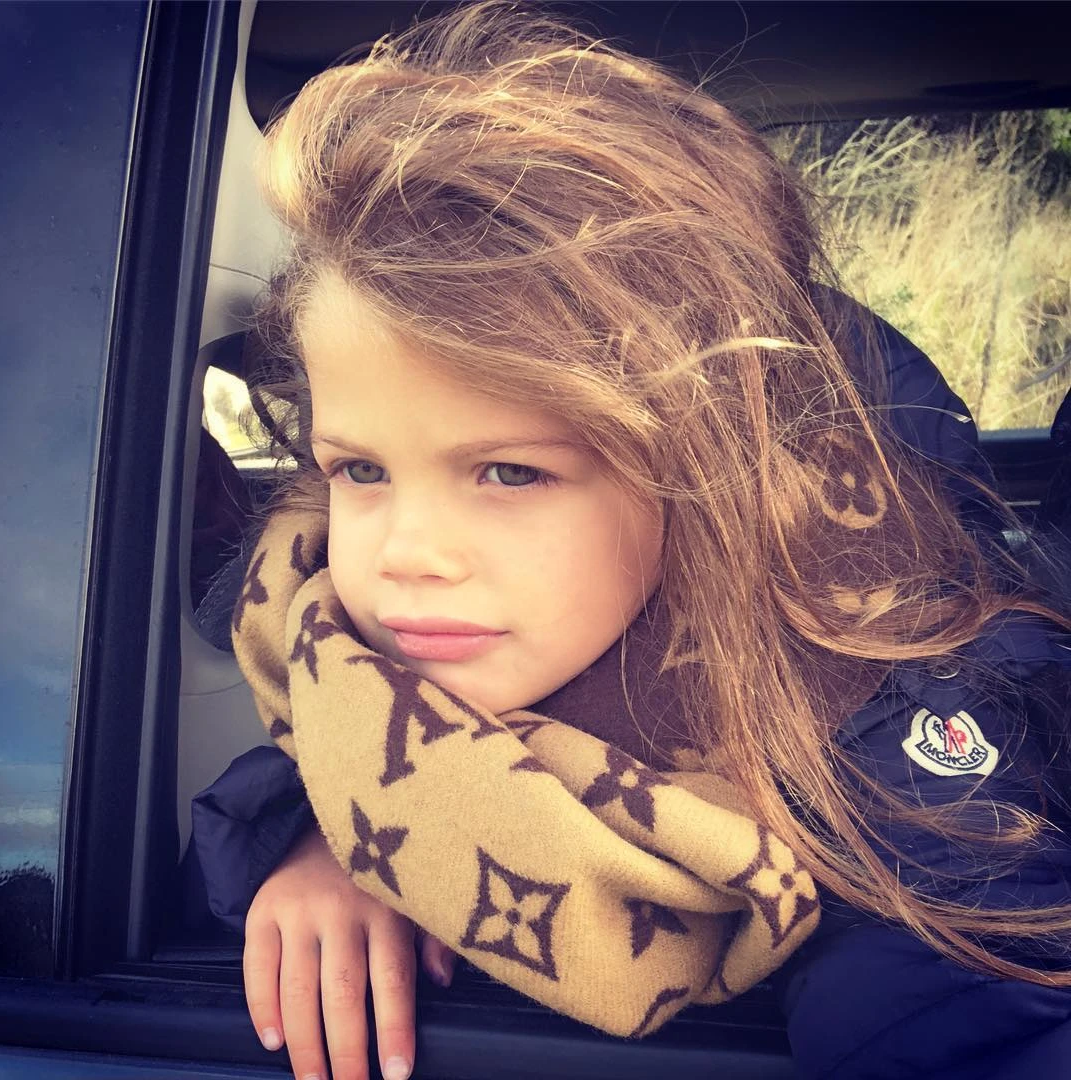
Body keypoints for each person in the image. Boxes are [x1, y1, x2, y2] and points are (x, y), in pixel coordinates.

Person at [187, 5, 1071, 1079]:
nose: (405, 553)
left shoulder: (877, 740)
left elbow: (970, 994)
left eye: (511, 472)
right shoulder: (328, 667)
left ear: (702, 482)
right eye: (360, 471)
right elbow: (287, 770)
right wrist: (330, 835)